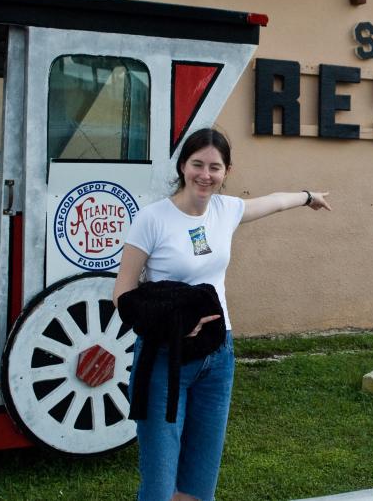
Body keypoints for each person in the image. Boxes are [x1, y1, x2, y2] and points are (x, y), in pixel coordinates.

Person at [113, 127, 331, 501]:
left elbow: (275, 201)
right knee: (161, 485)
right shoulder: (152, 219)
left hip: (218, 359)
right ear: (183, 166)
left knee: (199, 483)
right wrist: (176, 324)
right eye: (197, 164)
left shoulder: (226, 210)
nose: (205, 174)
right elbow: (122, 295)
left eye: (215, 167)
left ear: (226, 171)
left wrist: (308, 197)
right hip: (165, 361)